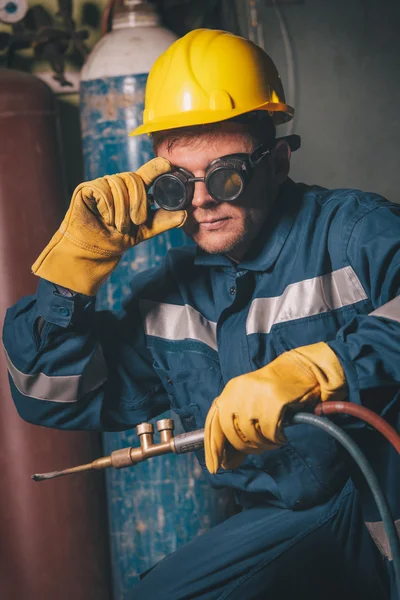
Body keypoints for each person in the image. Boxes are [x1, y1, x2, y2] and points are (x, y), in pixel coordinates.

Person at [3, 28, 399, 600]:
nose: (201, 200)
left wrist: (326, 366)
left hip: (385, 493)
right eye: (176, 182)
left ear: (278, 162)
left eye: (225, 174)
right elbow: (47, 394)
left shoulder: (354, 232)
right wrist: (68, 275)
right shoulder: (171, 298)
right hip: (292, 520)